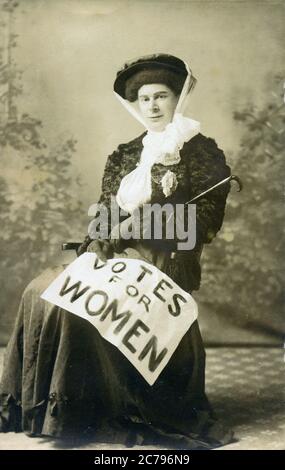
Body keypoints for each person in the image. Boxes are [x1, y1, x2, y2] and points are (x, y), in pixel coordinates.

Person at [0, 53, 233, 449]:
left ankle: (92, 411)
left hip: (166, 262)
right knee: (42, 290)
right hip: (117, 255)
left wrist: (145, 224)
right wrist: (102, 235)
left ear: (178, 98)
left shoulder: (201, 152)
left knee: (87, 305)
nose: (154, 106)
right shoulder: (125, 154)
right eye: (144, 99)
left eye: (162, 96)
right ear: (135, 104)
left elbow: (205, 222)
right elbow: (105, 210)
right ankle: (45, 410)